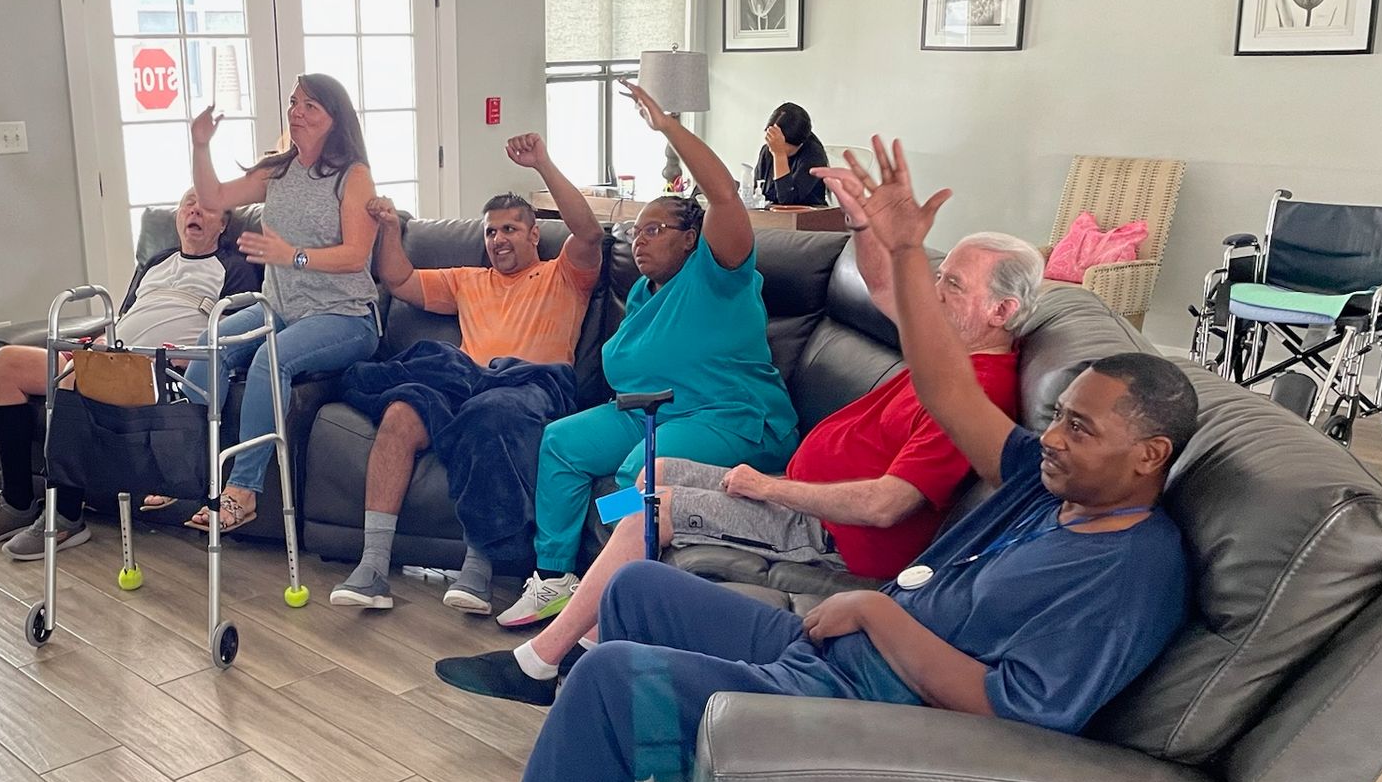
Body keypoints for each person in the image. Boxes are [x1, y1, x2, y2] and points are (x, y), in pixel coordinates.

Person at [379, 134, 1195, 782]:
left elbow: (1014, 711)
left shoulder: (1128, 568)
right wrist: (908, 252)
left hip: (876, 707)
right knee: (633, 589)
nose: (1051, 438)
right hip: (840, 650)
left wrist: (877, 617)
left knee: (607, 672)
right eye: (1056, 417)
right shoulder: (1042, 483)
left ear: (1149, 455)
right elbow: (947, 379)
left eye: (1077, 429)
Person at [436, 220, 1045, 703]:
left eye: (954, 286)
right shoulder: (945, 352)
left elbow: (886, 505)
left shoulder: (976, 392)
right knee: (652, 476)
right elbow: (887, 289)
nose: (933, 294)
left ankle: (541, 661)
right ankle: (586, 630)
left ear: (1001, 312)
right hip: (801, 491)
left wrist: (770, 488)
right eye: (939, 279)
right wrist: (864, 220)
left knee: (655, 505)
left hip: (832, 532)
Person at [493, 81, 800, 628]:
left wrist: (667, 128)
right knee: (561, 441)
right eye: (636, 230)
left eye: (655, 229)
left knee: (639, 473)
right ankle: (555, 577)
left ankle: (610, 594)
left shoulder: (720, 273)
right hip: (649, 411)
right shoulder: (640, 293)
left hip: (730, 418)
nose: (639, 240)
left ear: (691, 237)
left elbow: (725, 195)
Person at [330, 133, 605, 614]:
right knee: (399, 412)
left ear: (534, 234)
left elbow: (588, 233)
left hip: (530, 388)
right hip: (465, 380)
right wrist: (391, 228)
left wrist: (542, 164)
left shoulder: (564, 274)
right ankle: (373, 568)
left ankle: (478, 568)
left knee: (489, 415)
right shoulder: (467, 281)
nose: (498, 239)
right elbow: (398, 280)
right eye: (491, 232)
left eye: (510, 230)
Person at [0, 188, 257, 558]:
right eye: (187, 204)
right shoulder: (157, 262)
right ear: (177, 217)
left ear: (223, 224)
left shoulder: (233, 269)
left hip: (158, 373)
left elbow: (231, 339)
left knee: (77, 376)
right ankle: (16, 501)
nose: (194, 211)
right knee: (3, 365)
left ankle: (65, 517)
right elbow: (125, 319)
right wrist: (92, 341)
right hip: (112, 356)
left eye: (206, 208)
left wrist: (182, 359)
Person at [145, 74, 380, 533]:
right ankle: (184, 470)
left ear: (335, 118)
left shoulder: (354, 177)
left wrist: (292, 255)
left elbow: (355, 256)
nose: (297, 112)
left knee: (270, 360)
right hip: (281, 307)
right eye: (293, 102)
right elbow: (214, 197)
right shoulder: (278, 169)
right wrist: (199, 146)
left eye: (310, 106)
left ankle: (244, 491)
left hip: (345, 315)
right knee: (211, 342)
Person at [753, 101, 831, 207]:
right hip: (771, 218)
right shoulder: (768, 149)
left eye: (781, 145)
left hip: (807, 218)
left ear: (800, 143)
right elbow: (759, 191)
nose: (772, 147)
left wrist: (779, 155)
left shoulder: (814, 155)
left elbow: (788, 200)